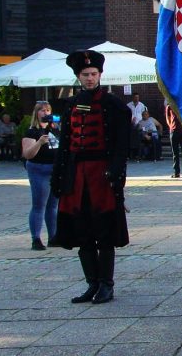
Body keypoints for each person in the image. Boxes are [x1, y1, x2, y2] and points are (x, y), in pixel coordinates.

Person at [51, 49, 132, 305]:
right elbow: (65, 144)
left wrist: (116, 172)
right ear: (78, 76)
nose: (90, 78)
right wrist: (59, 176)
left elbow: (122, 144)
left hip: (101, 176)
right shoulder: (71, 105)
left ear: (100, 75)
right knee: (82, 232)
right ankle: (92, 284)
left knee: (104, 231)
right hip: (76, 176)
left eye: (93, 74)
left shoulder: (113, 105)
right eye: (85, 74)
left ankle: (106, 285)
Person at [20, 102, 60, 251]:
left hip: (54, 170)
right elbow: (27, 154)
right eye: (42, 110)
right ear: (36, 113)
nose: (45, 113)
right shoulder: (32, 132)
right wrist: (39, 143)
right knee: (39, 205)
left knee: (53, 205)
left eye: (48, 110)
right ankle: (36, 238)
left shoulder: (55, 130)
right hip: (39, 169)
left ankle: (53, 237)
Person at [166, 103, 182, 179]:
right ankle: (176, 172)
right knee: (175, 153)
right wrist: (171, 127)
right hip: (174, 131)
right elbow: (168, 118)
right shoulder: (170, 106)